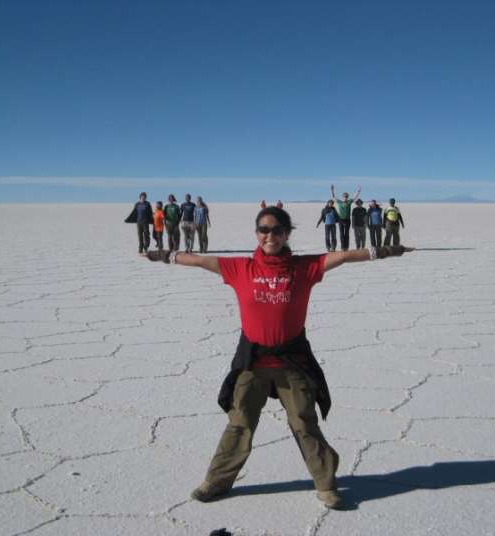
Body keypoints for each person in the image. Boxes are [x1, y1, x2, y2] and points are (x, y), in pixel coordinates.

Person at [146, 206, 414, 509]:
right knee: (240, 423)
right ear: (256, 233)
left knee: (304, 422)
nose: (269, 235)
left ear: (286, 234)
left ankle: (326, 485)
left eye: (276, 230)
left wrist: (388, 250)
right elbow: (196, 260)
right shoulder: (239, 268)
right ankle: (217, 482)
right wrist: (163, 255)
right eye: (263, 229)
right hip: (253, 363)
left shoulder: (304, 268)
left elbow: (344, 256)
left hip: (292, 362)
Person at [330, 184, 361, 251]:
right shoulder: (339, 202)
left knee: (346, 234)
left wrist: (358, 191)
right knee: (341, 234)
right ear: (342, 197)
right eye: (344, 196)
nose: (345, 197)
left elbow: (355, 197)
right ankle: (342, 247)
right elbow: (333, 197)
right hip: (340, 220)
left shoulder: (349, 202)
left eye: (346, 196)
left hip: (347, 220)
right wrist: (332, 190)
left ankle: (346, 247)